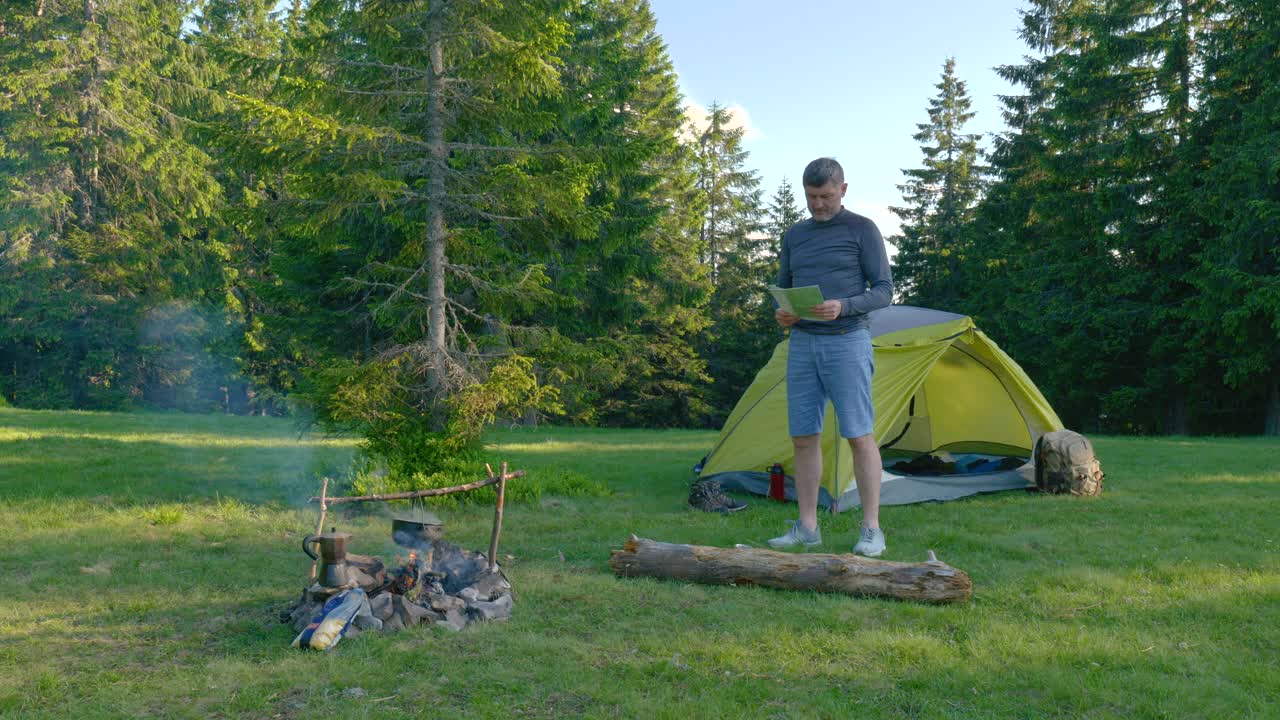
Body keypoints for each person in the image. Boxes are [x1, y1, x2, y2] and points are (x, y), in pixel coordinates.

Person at [766, 157, 894, 556]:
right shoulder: (795, 235)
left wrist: (845, 305)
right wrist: (783, 313)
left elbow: (885, 290)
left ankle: (871, 530)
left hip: (848, 340)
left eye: (825, 196)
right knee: (803, 438)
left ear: (843, 189)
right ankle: (807, 528)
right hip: (802, 343)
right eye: (811, 197)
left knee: (859, 435)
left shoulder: (862, 229)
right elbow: (784, 287)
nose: (818, 204)